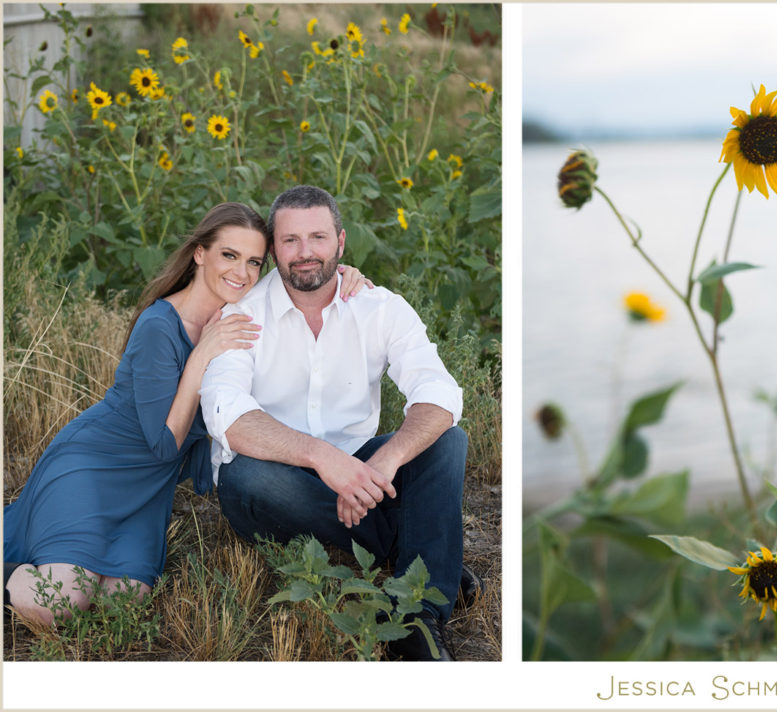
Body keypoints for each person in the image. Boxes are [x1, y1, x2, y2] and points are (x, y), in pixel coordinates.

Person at [2, 202, 369, 624]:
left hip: (147, 490)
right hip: (94, 466)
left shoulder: (241, 315)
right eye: (229, 255)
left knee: (125, 601)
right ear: (199, 253)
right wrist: (201, 356)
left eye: (254, 261)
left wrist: (345, 277)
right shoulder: (160, 326)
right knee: (61, 604)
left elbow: (302, 282)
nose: (243, 272)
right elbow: (164, 445)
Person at [199, 185, 476, 661]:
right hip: (274, 474)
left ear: (341, 243)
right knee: (247, 475)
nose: (305, 253)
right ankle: (414, 547)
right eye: (290, 241)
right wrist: (322, 459)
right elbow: (227, 414)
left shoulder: (379, 307)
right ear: (273, 249)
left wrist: (386, 461)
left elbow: (440, 394)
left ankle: (417, 617)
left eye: (318, 238)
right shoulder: (242, 315)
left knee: (447, 441)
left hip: (362, 466)